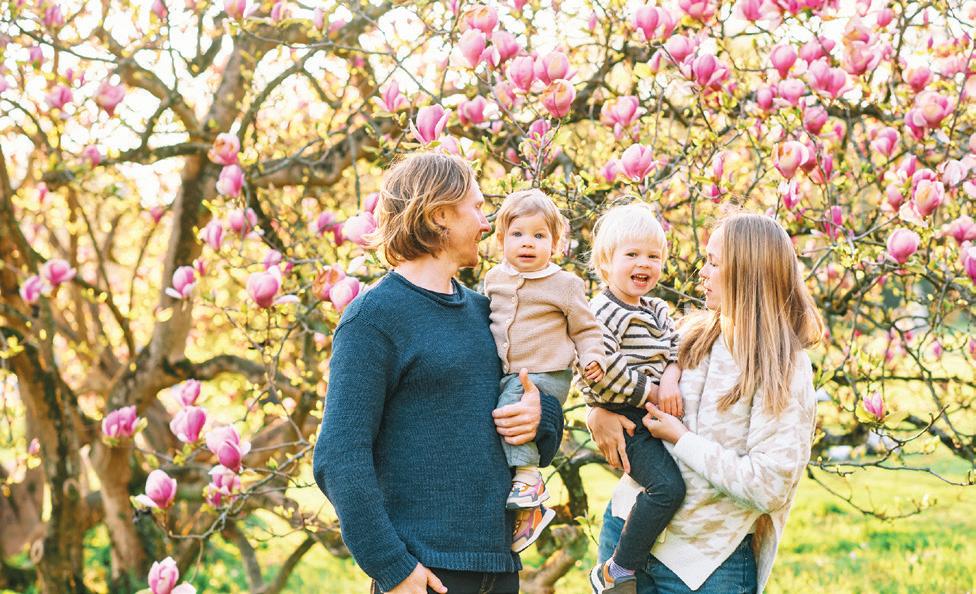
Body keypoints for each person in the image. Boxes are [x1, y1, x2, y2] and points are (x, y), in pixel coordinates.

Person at [312, 152, 565, 594]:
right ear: (439, 215)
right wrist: (392, 567)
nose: (487, 223)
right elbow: (339, 456)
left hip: (500, 570)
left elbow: (537, 411)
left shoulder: (489, 313)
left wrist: (540, 416)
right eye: (477, 207)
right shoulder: (373, 319)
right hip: (426, 575)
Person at [588, 211, 823, 594]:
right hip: (625, 533)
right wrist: (597, 413)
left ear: (747, 274)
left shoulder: (783, 367)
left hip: (705, 566)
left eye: (714, 263)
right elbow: (615, 377)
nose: (702, 273)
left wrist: (682, 439)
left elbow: (769, 485)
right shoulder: (688, 335)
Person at [484, 189, 606, 552]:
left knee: (511, 410)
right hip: (510, 373)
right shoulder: (494, 279)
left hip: (546, 373)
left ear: (555, 244)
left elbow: (586, 329)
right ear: (501, 239)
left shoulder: (565, 285)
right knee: (501, 423)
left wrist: (592, 357)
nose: (528, 243)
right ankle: (529, 513)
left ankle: (530, 478)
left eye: (539, 236)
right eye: (518, 234)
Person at [574, 203, 686, 594]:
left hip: (650, 410)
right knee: (667, 488)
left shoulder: (657, 308)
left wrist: (670, 377)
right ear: (606, 263)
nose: (644, 263)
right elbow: (601, 374)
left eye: (653, 256)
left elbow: (678, 346)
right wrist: (653, 392)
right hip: (626, 416)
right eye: (632, 254)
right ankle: (618, 568)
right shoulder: (601, 312)